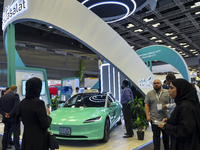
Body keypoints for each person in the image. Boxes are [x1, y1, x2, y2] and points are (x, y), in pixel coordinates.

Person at [158, 79, 200, 150]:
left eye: (172, 88)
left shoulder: (185, 106)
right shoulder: (183, 104)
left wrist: (167, 127)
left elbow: (184, 130)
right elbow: (183, 121)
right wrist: (169, 121)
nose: (169, 90)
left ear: (181, 89)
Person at [16, 77, 52, 150]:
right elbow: (45, 124)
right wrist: (48, 115)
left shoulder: (22, 102)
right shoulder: (39, 103)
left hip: (26, 138)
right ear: (38, 88)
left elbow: (18, 119)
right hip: (38, 141)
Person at [145, 79, 170, 150]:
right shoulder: (149, 93)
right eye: (154, 83)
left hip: (165, 118)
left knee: (166, 135)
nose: (156, 84)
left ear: (161, 84)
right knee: (156, 136)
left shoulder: (167, 92)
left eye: (158, 83)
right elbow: (146, 104)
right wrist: (147, 115)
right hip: (154, 118)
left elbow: (171, 104)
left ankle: (167, 148)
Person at [0, 85, 20, 150]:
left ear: (10, 89)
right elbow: (16, 106)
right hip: (14, 118)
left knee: (6, 133)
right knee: (16, 134)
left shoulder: (3, 96)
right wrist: (10, 114)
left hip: (6, 118)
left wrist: (5, 114)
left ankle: (4, 147)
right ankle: (17, 148)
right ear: (16, 90)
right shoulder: (16, 95)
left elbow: (0, 108)